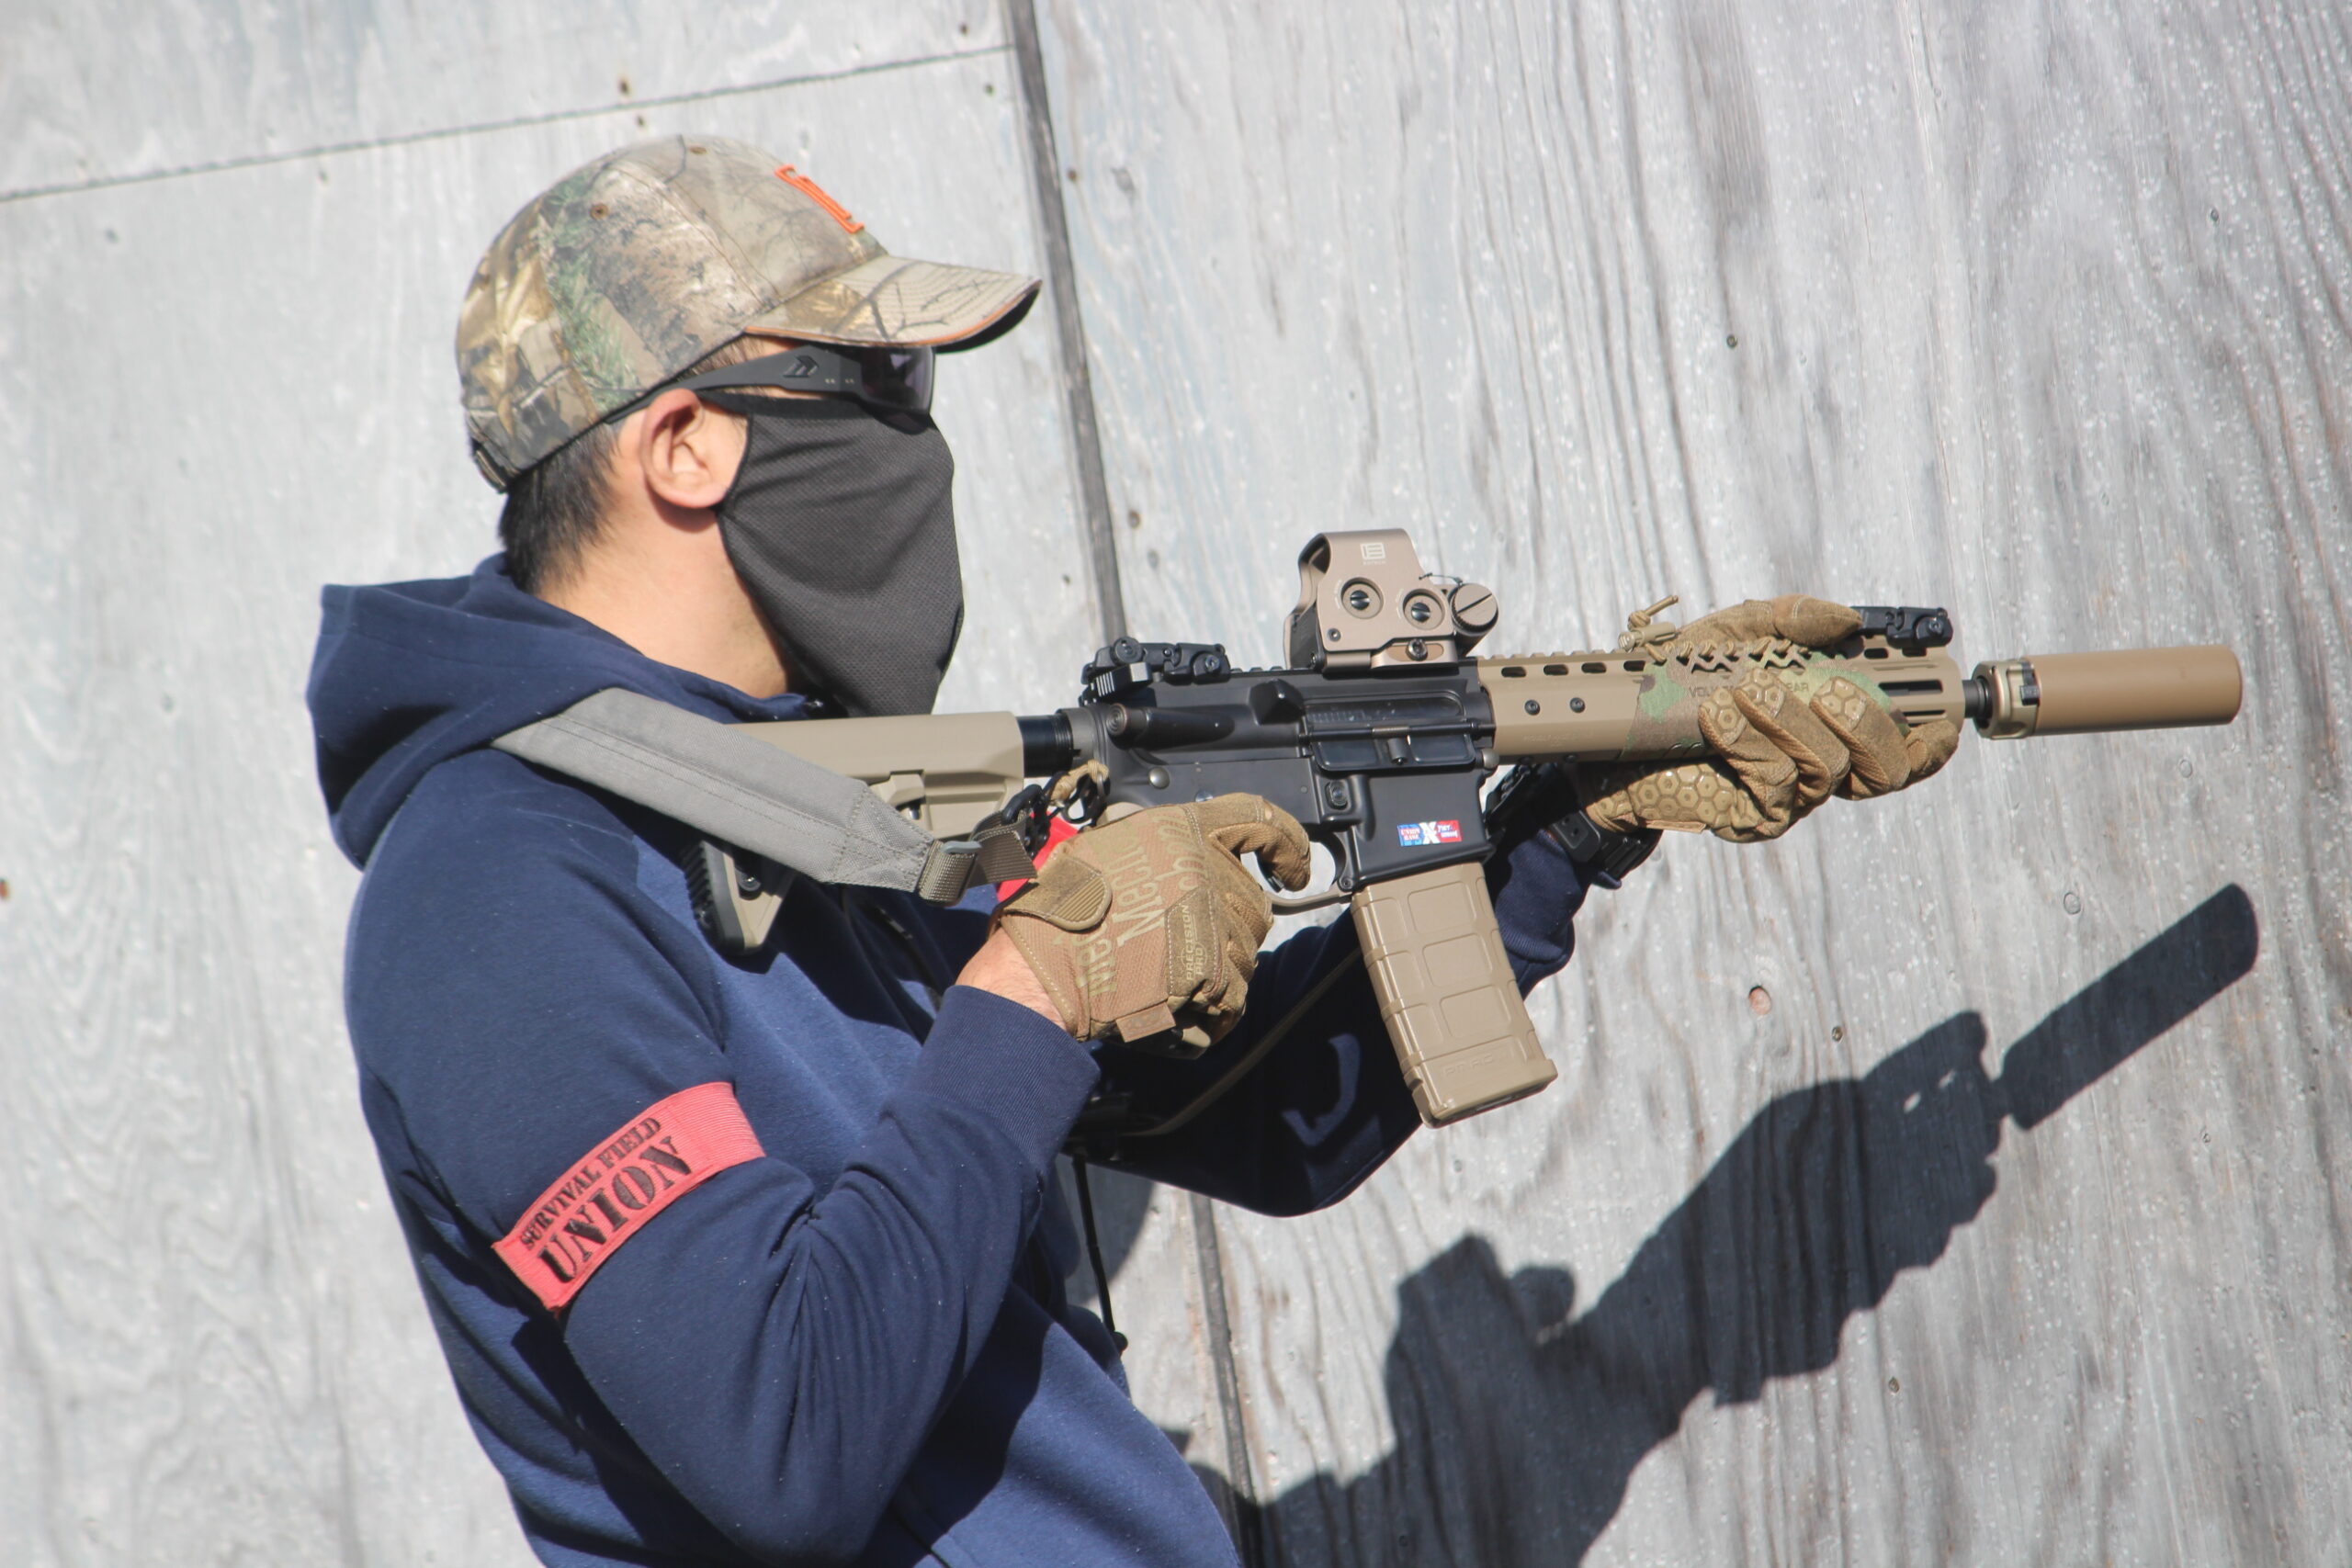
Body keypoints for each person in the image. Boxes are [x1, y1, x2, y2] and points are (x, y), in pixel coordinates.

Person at [306, 135, 1954, 1568]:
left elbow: (1258, 1126)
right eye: (881, 390)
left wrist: (1567, 821)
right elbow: (782, 1433)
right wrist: (1036, 985)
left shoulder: (773, 801)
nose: (916, 446)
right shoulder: (496, 891)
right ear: (684, 446)